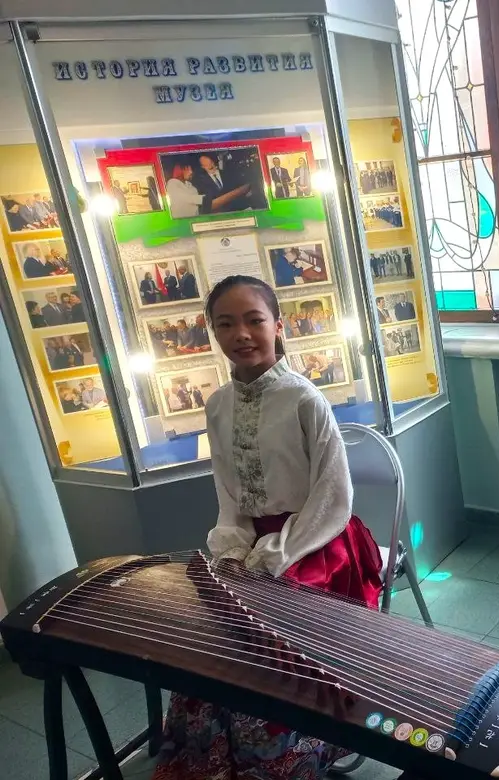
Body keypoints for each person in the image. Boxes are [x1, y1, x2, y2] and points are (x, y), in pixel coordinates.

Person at [151, 274, 384, 780]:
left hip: (317, 542)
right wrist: (233, 551)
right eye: (225, 324)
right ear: (213, 332)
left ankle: (282, 760)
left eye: (254, 320)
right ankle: (212, 760)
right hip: (252, 540)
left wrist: (275, 553)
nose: (241, 334)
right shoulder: (218, 405)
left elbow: (333, 495)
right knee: (211, 635)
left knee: (268, 650)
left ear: (278, 325)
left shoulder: (304, 399)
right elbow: (228, 493)